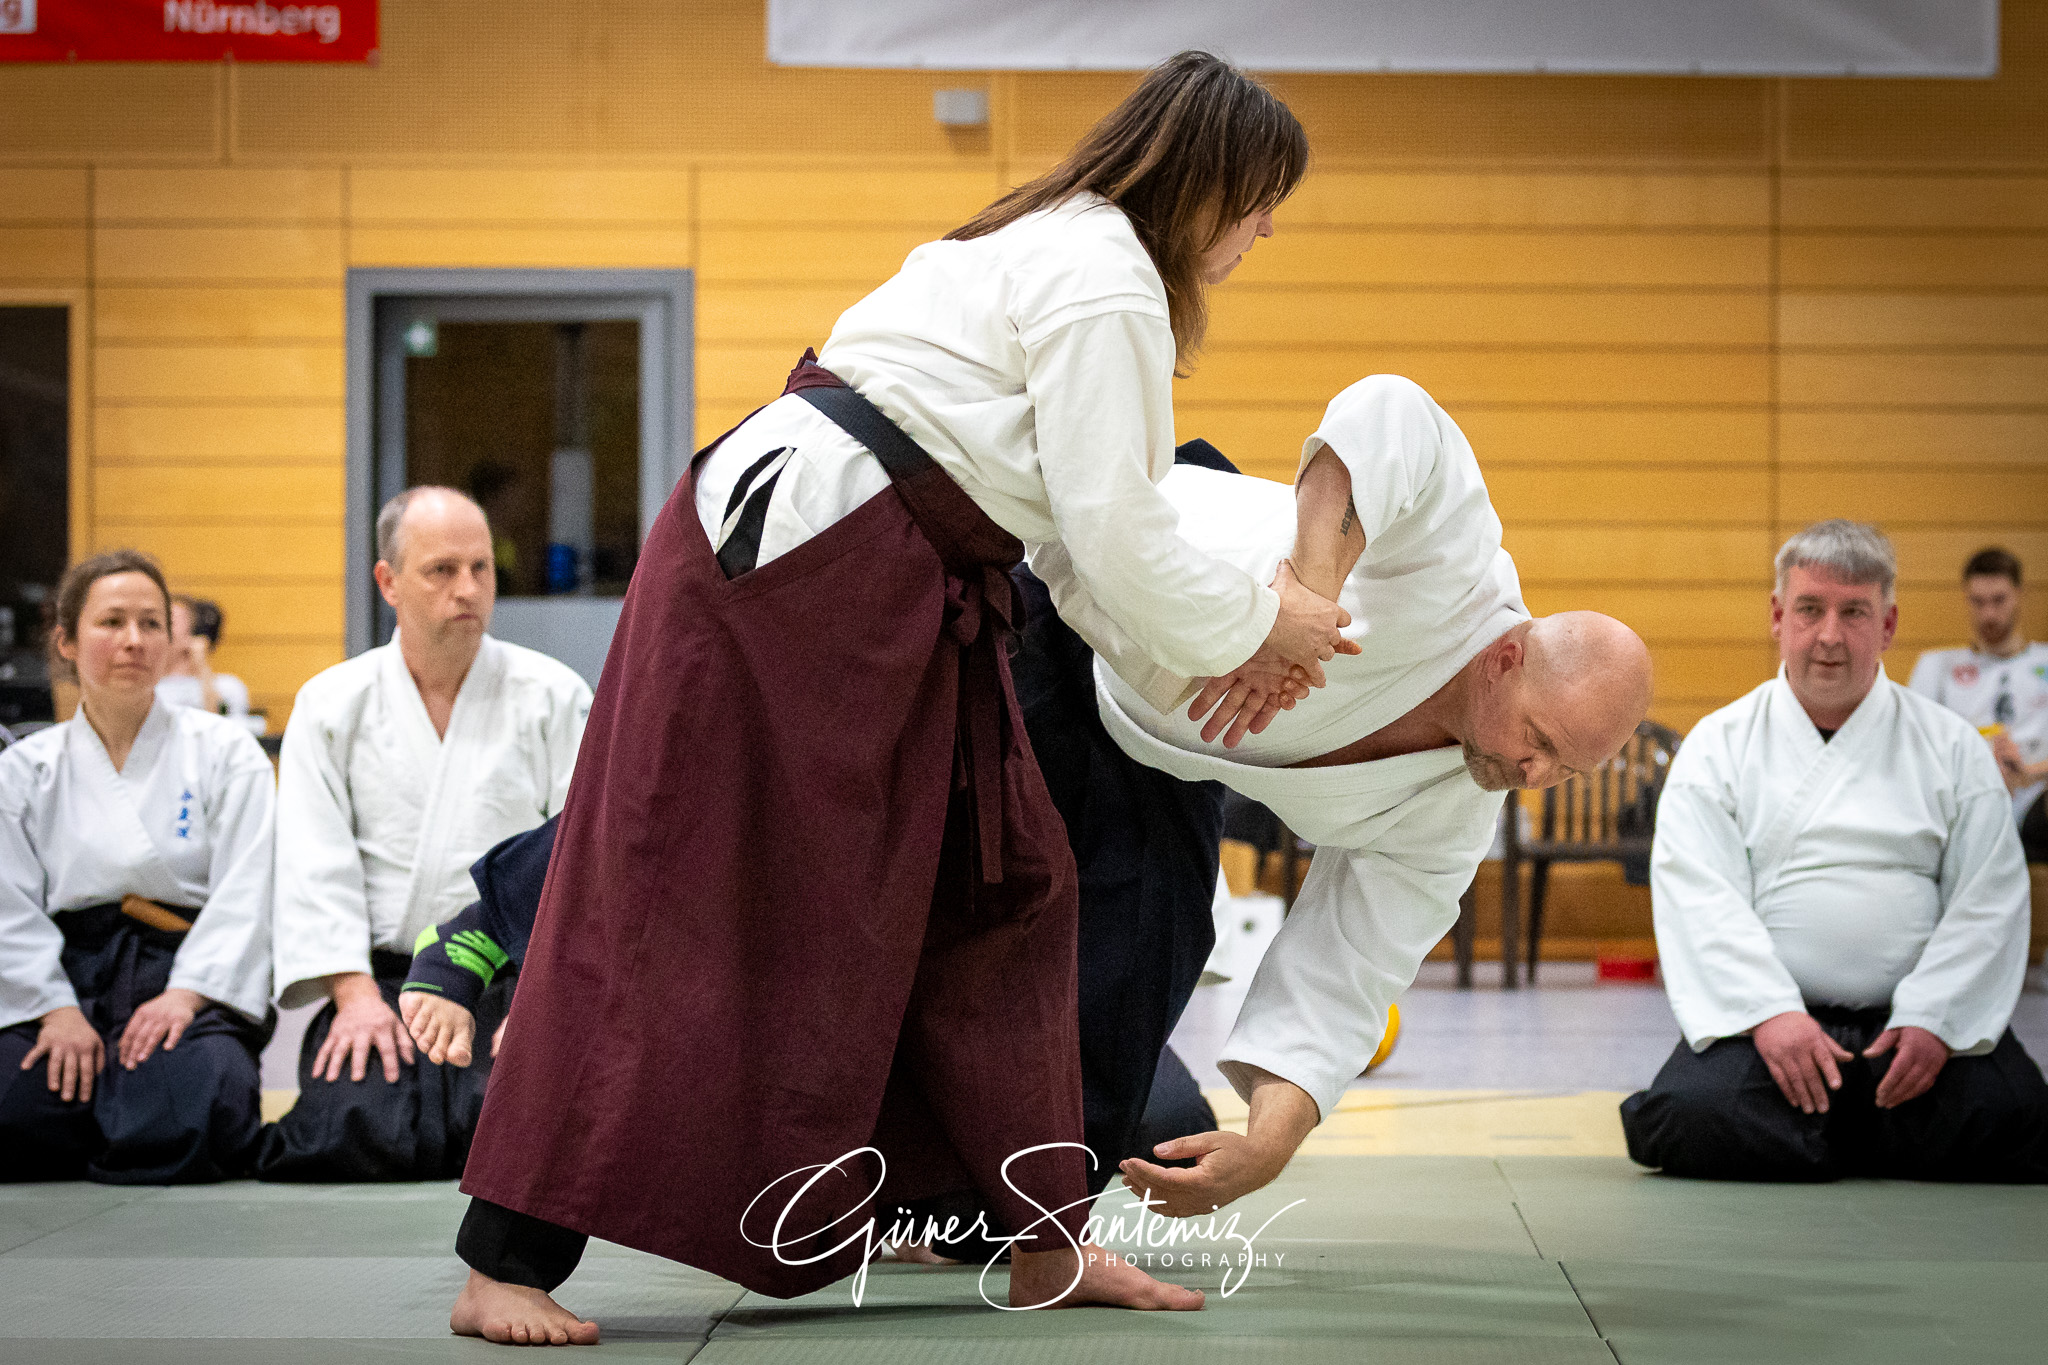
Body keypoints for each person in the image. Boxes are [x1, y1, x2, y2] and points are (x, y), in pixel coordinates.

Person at [443, 52, 1356, 1345]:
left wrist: (1236, 660)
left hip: (895, 570)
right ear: (1216, 180)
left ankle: (1037, 1235)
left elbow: (1084, 564)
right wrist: (1275, 620)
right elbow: (1120, 541)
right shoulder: (1102, 278)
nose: (1266, 233)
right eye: (1267, 203)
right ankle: (503, 1255)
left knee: (1007, 884)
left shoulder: (1063, 251)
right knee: (683, 889)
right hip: (806, 561)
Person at [1097, 373, 1655, 1218]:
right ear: (1506, 657)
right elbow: (1390, 409)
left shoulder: (1455, 811)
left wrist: (1268, 1144)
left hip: (1155, 761)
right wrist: (1307, 596)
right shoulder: (1454, 562)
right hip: (1086, 594)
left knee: (1135, 1094)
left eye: (1564, 771)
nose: (1535, 777)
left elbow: (1348, 967)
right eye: (1540, 740)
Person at [1621, 521, 2046, 1182]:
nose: (1828, 635)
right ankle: (1883, 1134)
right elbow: (1700, 896)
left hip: (1911, 1029)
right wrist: (1770, 1012)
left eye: (1854, 612)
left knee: (2020, 1114)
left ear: (1888, 623)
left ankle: (1825, 1133)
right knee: (1689, 1114)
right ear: (1777, 615)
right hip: (1771, 1029)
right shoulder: (1719, 744)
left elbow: (1987, 896)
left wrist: (1934, 1019)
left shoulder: (1951, 744)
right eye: (1810, 608)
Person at [254, 486, 589, 1181]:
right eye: (442, 569)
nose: (466, 588)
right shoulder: (330, 703)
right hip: (380, 980)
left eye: (481, 568)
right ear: (388, 581)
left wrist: (542, 995)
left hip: (511, 975)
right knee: (352, 1128)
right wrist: (351, 997)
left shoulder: (553, 695)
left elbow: (582, 857)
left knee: (520, 1128)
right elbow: (315, 862)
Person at [0, 550, 274, 1183]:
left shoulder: (224, 752)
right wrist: (54, 1008)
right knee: (11, 1108)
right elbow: (10, 904)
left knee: (200, 1109)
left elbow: (248, 890)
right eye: (112, 622)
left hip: (185, 965)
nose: (134, 641)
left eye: (152, 624)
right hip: (68, 972)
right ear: (66, 641)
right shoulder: (26, 769)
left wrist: (184, 995)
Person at [1908, 547, 2048, 862]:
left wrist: (2028, 773)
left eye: (1999, 600)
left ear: (2019, 594)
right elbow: (1912, 749)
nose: (1989, 614)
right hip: (1962, 798)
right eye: (1978, 601)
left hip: (2035, 797)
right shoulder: (1937, 666)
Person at [156, 595, 252, 723]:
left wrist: (202, 664)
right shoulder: (148, 690)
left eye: (171, 622)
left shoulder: (229, 687)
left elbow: (221, 730)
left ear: (194, 632)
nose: (161, 629)